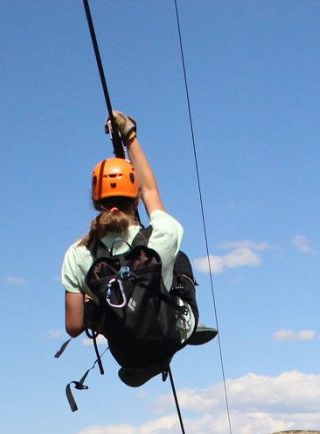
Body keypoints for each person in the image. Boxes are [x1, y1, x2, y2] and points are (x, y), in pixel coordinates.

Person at [61, 110, 214, 386]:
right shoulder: (163, 234)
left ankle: (126, 326)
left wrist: (93, 304)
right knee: (179, 259)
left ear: (95, 199)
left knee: (97, 302)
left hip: (126, 352)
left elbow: (73, 326)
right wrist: (130, 136)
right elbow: (151, 193)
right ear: (135, 195)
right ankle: (183, 321)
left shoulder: (77, 253)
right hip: (171, 335)